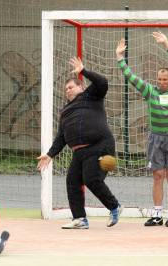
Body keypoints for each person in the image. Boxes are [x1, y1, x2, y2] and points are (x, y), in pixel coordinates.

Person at [37, 57, 123, 229]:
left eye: (71, 87)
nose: (68, 90)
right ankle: (80, 219)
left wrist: (83, 71)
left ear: (81, 87)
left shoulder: (91, 96)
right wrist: (49, 154)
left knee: (91, 179)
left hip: (100, 145)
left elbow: (103, 82)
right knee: (72, 181)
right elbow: (61, 137)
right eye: (66, 89)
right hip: (80, 152)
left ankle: (114, 207)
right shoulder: (65, 111)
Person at [116, 32, 168, 227]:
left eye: (165, 79)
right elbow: (131, 77)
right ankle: (157, 215)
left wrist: (167, 43)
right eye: (159, 79)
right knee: (158, 176)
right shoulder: (150, 91)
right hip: (156, 139)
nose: (161, 82)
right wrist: (120, 57)